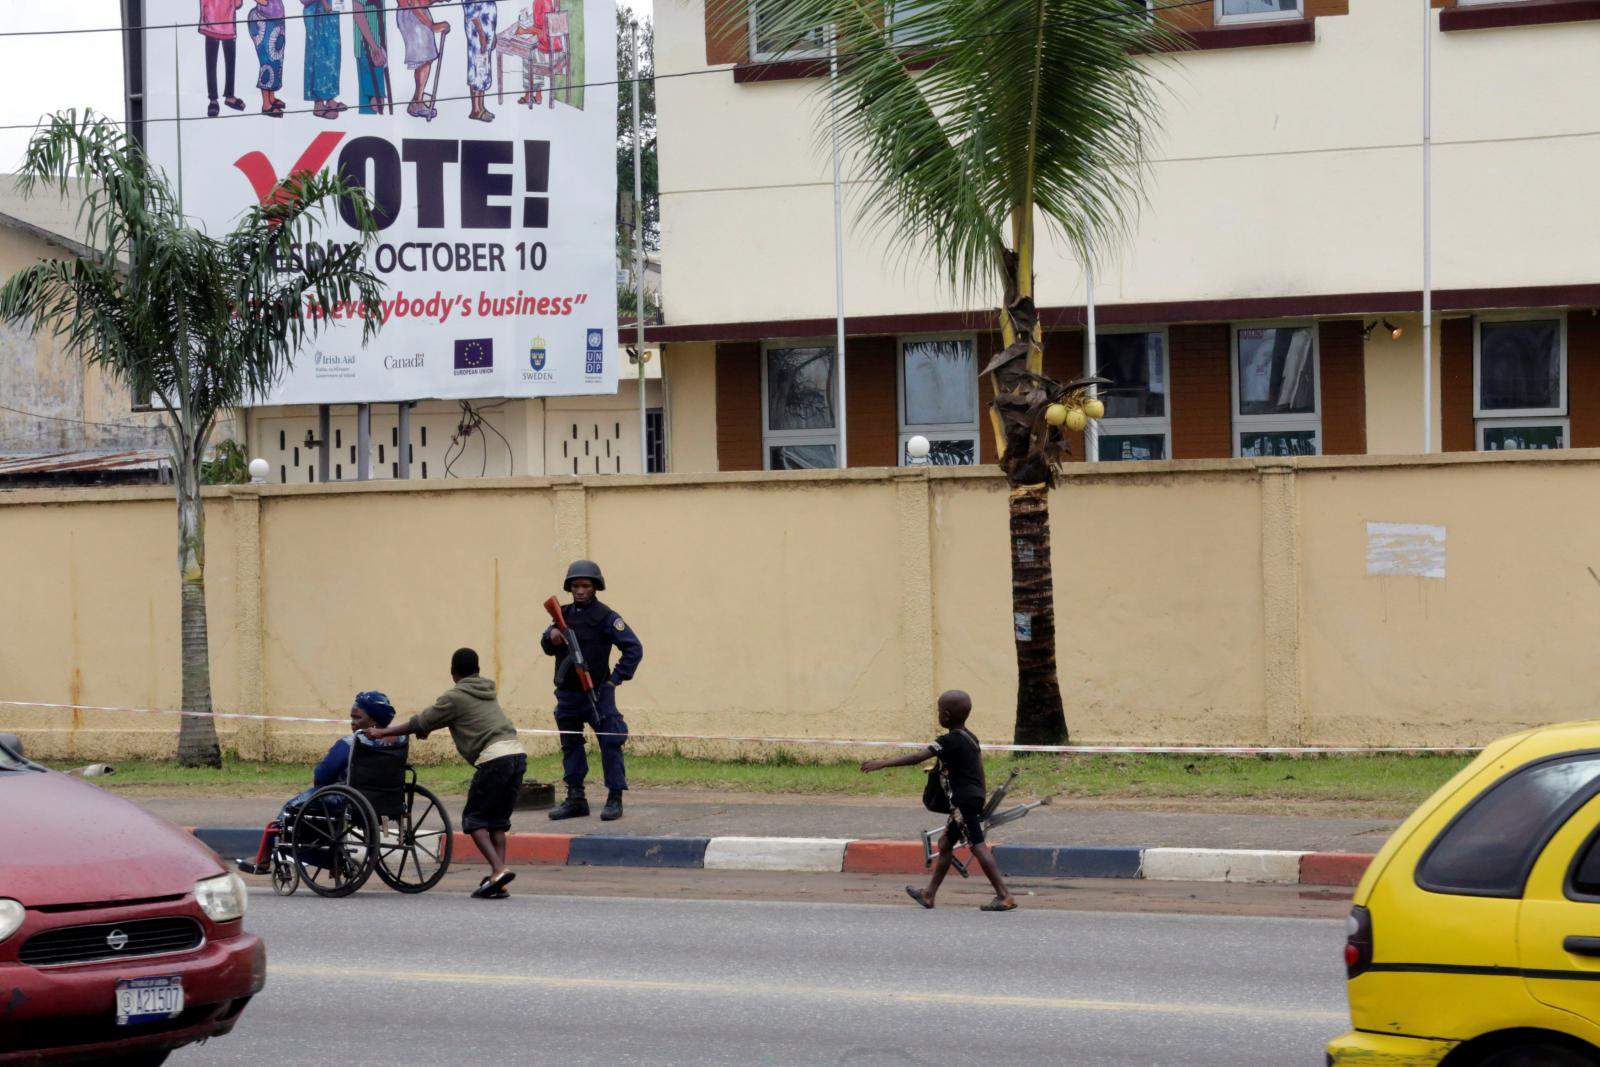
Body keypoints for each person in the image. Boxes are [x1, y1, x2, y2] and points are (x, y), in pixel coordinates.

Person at [367, 648, 526, 899]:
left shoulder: (455, 696)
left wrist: (381, 733)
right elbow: (442, 720)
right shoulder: (485, 690)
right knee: (497, 821)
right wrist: (426, 728)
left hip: (494, 758)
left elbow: (422, 721)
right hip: (517, 754)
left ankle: (499, 868)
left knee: (474, 820)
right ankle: (499, 880)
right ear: (477, 670)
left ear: (453, 673)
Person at [860, 690, 1017, 912]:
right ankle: (929, 895)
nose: (937, 715)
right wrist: (980, 797)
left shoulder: (948, 740)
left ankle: (1004, 896)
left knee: (977, 845)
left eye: (938, 711)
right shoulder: (970, 737)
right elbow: (978, 769)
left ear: (946, 715)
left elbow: (917, 757)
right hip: (969, 799)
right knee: (945, 844)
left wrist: (883, 763)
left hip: (963, 801)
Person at [238, 691, 406, 876]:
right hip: (388, 800)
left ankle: (263, 859)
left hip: (349, 799)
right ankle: (333, 859)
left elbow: (322, 775)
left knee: (289, 810)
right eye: (352, 718)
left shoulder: (350, 744)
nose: (352, 722)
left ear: (373, 720)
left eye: (357, 718)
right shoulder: (399, 740)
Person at [540, 560, 643, 822]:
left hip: (598, 691)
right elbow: (546, 645)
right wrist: (551, 636)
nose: (580, 590)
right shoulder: (560, 616)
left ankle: (614, 797)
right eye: (575, 586)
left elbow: (633, 648)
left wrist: (615, 680)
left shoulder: (607, 617)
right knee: (571, 745)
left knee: (610, 742)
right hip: (568, 694)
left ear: (595, 587)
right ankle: (576, 798)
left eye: (585, 586)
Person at [397, 0, 449, 120]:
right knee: (423, 58)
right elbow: (413, 3)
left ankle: (417, 98)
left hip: (419, 12)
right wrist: (432, 26)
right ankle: (417, 102)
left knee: (427, 58)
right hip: (412, 15)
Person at [200, 0, 246, 118]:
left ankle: (224, 97)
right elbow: (238, 4)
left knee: (226, 61)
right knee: (214, 63)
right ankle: (216, 99)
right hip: (214, 23)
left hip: (224, 23)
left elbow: (238, 4)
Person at [301, 0, 345, 119]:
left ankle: (330, 99)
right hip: (317, 10)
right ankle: (318, 104)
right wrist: (325, 2)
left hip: (332, 10)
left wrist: (338, 5)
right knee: (318, 55)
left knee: (333, 54)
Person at [247, 0, 287, 117]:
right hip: (264, 20)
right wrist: (264, 3)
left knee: (276, 61)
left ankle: (271, 98)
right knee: (267, 62)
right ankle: (266, 105)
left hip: (277, 20)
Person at [512, 0, 557, 106]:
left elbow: (545, 31)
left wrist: (524, 31)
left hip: (549, 46)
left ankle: (530, 95)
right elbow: (539, 24)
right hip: (547, 41)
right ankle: (537, 95)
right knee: (532, 50)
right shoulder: (541, 1)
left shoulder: (543, 2)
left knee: (529, 53)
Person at [352, 0, 391, 114]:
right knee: (376, 101)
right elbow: (357, 9)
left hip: (374, 46)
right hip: (369, 48)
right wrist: (374, 46)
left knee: (370, 101)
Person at [463, 1, 498, 122]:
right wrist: (482, 37)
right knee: (477, 70)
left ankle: (481, 107)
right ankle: (475, 110)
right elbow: (471, 13)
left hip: (486, 34)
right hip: (478, 35)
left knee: (483, 71)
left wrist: (493, 36)